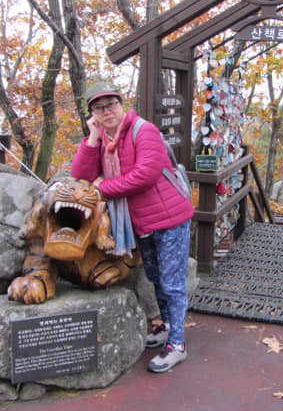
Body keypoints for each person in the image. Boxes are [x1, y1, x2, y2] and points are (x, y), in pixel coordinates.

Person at [71, 81, 194, 373]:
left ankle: (177, 345)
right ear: (93, 114)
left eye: (111, 104)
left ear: (121, 104)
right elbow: (81, 174)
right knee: (155, 277)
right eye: (99, 108)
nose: (107, 111)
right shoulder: (102, 139)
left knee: (172, 282)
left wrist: (104, 187)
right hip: (141, 222)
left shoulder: (143, 130)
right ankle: (167, 327)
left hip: (169, 218)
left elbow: (145, 175)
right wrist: (91, 137)